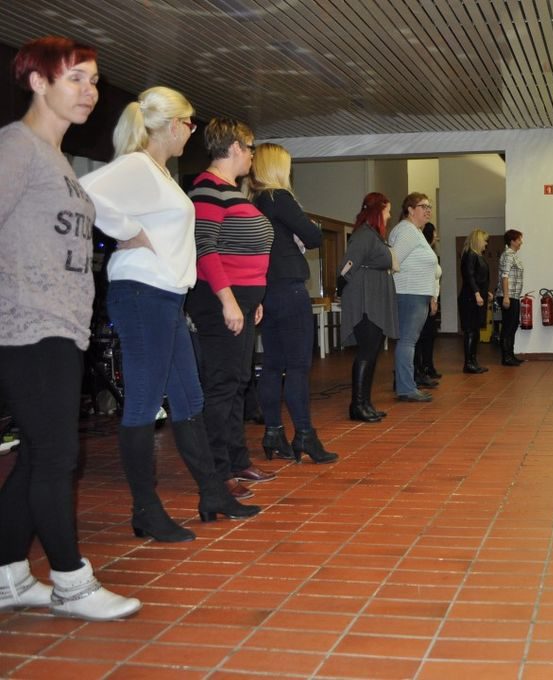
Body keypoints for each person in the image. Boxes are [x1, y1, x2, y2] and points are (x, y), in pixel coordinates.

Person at [81, 87, 260, 543]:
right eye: (189, 123)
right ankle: (145, 510)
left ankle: (213, 493)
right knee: (144, 402)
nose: (192, 131)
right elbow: (82, 191)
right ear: (171, 125)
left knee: (190, 399)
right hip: (143, 294)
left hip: (166, 297)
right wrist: (127, 229)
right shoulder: (138, 165)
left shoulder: (159, 172)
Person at [0, 36, 139, 621]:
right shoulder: (17, 145)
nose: (90, 91)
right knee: (57, 454)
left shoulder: (56, 160)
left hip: (62, 325)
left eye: (94, 81)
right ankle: (71, 582)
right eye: (75, 78)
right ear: (38, 82)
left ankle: (8, 577)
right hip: (27, 324)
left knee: (40, 455)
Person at [186, 118, 276, 499]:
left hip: (242, 301)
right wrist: (228, 301)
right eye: (250, 147)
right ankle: (217, 473)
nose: (253, 155)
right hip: (219, 300)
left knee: (239, 381)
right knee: (222, 385)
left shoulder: (227, 190)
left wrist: (253, 300)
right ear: (235, 147)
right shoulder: (207, 189)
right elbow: (204, 247)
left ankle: (238, 460)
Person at [249, 143, 338, 464]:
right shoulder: (279, 197)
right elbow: (314, 237)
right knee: (298, 366)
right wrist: (303, 230)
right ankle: (304, 435)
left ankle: (273, 432)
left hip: (266, 290)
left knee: (273, 365)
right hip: (289, 289)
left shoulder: (256, 201)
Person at [340, 193, 398, 421]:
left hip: (374, 300)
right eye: (387, 211)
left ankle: (365, 402)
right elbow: (346, 267)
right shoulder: (364, 235)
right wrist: (342, 289)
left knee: (372, 352)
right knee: (367, 351)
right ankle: (357, 405)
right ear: (378, 211)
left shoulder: (373, 235)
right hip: (366, 302)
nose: (389, 215)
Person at [389, 193, 438, 402]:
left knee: (409, 341)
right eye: (423, 206)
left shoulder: (414, 231)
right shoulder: (406, 231)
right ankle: (406, 388)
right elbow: (393, 262)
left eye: (429, 206)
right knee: (407, 342)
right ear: (410, 209)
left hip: (416, 294)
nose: (428, 210)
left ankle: (406, 385)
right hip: (409, 294)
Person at [458, 229, 492, 373]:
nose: (486, 243)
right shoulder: (470, 254)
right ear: (478, 240)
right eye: (484, 240)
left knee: (475, 331)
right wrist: (477, 293)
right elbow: (469, 276)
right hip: (470, 298)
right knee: (471, 331)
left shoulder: (477, 255)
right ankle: (469, 364)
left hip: (475, 296)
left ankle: (473, 361)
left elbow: (479, 278)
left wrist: (485, 292)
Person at [414, 221, 442, 384]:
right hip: (425, 299)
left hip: (432, 298)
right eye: (435, 233)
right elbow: (427, 278)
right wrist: (432, 300)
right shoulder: (423, 254)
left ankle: (427, 366)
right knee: (422, 336)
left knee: (430, 335)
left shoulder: (431, 253)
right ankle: (419, 370)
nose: (437, 236)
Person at [498, 229, 526, 366]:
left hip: (514, 296)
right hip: (508, 296)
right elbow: (505, 276)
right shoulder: (508, 255)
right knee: (508, 326)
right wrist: (506, 297)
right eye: (519, 239)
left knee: (513, 325)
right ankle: (506, 357)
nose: (521, 242)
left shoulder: (514, 255)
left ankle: (511, 355)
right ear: (512, 241)